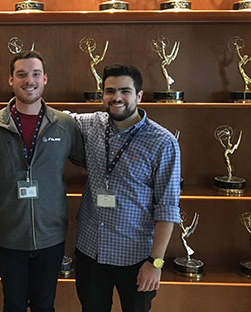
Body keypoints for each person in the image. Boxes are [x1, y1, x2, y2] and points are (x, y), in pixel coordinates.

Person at [70, 64, 181, 312]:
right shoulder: (90, 124)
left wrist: (155, 263)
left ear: (139, 96)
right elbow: (50, 116)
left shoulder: (163, 142)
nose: (116, 97)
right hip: (91, 253)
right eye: (110, 91)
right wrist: (1, 114)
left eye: (125, 91)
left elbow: (167, 208)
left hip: (137, 258)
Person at [0, 50, 85, 312]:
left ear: (45, 79)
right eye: (22, 74)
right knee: (13, 305)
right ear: (10, 80)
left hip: (51, 235)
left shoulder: (64, 124)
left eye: (36, 74)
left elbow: (89, 160)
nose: (30, 80)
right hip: (8, 236)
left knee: (44, 305)